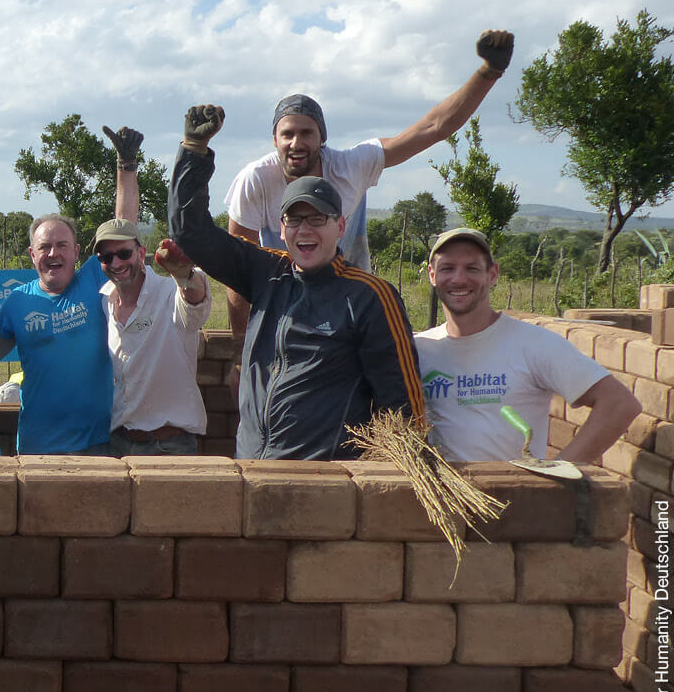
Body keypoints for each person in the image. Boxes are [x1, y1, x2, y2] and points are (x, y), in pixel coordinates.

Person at [222, 30, 516, 349]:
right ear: (274, 140)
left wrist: (489, 72)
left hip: (349, 306)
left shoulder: (351, 166)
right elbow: (237, 271)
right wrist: (242, 349)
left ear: (322, 139)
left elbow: (433, 128)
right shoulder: (255, 180)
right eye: (287, 134)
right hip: (284, 309)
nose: (296, 143)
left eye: (307, 133)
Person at [170, 105, 426, 460]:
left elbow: (402, 408)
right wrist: (193, 153)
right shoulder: (265, 273)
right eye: (295, 219)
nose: (305, 229)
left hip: (324, 485)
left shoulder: (369, 297)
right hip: (253, 477)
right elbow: (191, 234)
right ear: (281, 229)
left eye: (317, 218)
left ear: (340, 226)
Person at [416, 228, 640, 463]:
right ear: (432, 275)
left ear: (493, 274)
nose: (459, 279)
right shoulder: (421, 349)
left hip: (514, 497)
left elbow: (619, 404)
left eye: (472, 268)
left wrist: (560, 475)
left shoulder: (534, 344)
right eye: (447, 268)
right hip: (439, 495)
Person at [0, 125, 141, 455]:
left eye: (62, 245)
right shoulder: (18, 301)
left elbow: (123, 227)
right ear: (32, 254)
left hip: (96, 445)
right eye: (45, 247)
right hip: (36, 448)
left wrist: (126, 165)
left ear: (77, 251)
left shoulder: (93, 283)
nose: (53, 254)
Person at [93, 217, 211, 456]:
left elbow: (195, 303)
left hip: (169, 447)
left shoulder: (169, 294)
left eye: (124, 253)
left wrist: (185, 275)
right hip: (119, 443)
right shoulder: (105, 301)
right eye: (106, 257)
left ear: (141, 253)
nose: (116, 262)